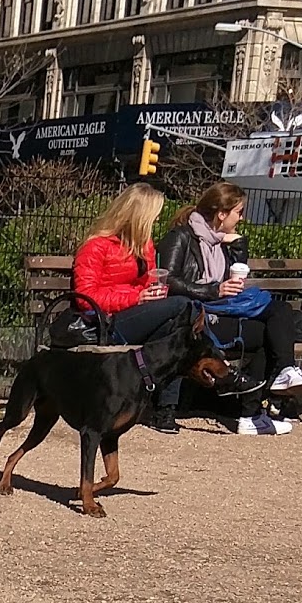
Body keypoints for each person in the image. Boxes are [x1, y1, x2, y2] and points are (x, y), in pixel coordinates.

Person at [161, 179, 300, 436]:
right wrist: (214, 290)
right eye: (238, 212)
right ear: (221, 214)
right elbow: (168, 280)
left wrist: (237, 247)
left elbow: (235, 278)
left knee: (278, 318)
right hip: (197, 315)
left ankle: (257, 404)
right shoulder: (181, 237)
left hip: (222, 311)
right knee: (272, 327)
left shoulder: (221, 242)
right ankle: (252, 409)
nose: (242, 218)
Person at [72, 182, 191, 435]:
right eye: (154, 217)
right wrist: (138, 297)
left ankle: (163, 407)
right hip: (105, 322)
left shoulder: (143, 245)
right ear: (139, 216)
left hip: (132, 315)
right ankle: (161, 404)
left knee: (174, 328)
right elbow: (85, 297)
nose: (156, 222)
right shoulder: (96, 246)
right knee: (183, 305)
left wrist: (153, 292)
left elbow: (148, 282)